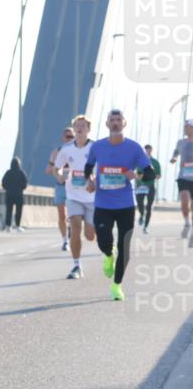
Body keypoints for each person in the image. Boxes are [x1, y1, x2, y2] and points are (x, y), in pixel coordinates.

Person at [84, 109, 156, 300]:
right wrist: (89, 180)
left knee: (124, 247)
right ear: (107, 124)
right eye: (111, 120)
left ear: (124, 123)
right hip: (103, 204)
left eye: (118, 120)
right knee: (103, 241)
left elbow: (150, 173)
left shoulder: (134, 148)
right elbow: (88, 167)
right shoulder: (98, 146)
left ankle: (116, 286)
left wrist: (138, 176)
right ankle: (108, 255)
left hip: (125, 205)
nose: (115, 123)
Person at [54, 116, 95, 279]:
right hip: (73, 195)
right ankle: (77, 266)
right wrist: (60, 176)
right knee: (75, 226)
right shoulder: (66, 149)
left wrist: (95, 180)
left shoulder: (95, 147)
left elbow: (102, 168)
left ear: (88, 129)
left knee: (90, 236)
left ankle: (98, 235)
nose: (79, 128)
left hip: (92, 197)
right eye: (77, 126)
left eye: (83, 126)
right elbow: (57, 168)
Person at [47, 127, 75, 250]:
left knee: (73, 216)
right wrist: (56, 174)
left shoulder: (78, 151)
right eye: (67, 136)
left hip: (74, 187)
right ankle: (65, 241)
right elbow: (49, 169)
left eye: (71, 137)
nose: (69, 139)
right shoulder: (56, 151)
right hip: (60, 187)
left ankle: (72, 235)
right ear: (63, 138)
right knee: (62, 215)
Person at [170, 118, 193, 245]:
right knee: (185, 200)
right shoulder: (181, 142)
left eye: (187, 126)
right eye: (185, 126)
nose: (185, 128)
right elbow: (176, 151)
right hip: (184, 176)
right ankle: (186, 223)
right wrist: (173, 157)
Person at [135, 144, 161, 234]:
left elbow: (158, 175)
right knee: (140, 204)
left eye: (149, 150)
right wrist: (138, 176)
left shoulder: (155, 162)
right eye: (146, 150)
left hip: (150, 186)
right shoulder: (138, 161)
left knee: (149, 206)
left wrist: (154, 176)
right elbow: (133, 172)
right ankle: (141, 215)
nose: (147, 152)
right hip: (140, 186)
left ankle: (145, 227)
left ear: (151, 151)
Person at [1, 157, 28, 232]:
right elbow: (25, 184)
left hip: (9, 194)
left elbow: (3, 183)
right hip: (19, 195)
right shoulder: (21, 173)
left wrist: (8, 188)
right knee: (18, 211)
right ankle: (17, 226)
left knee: (9, 211)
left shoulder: (8, 173)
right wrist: (20, 188)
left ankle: (8, 226)